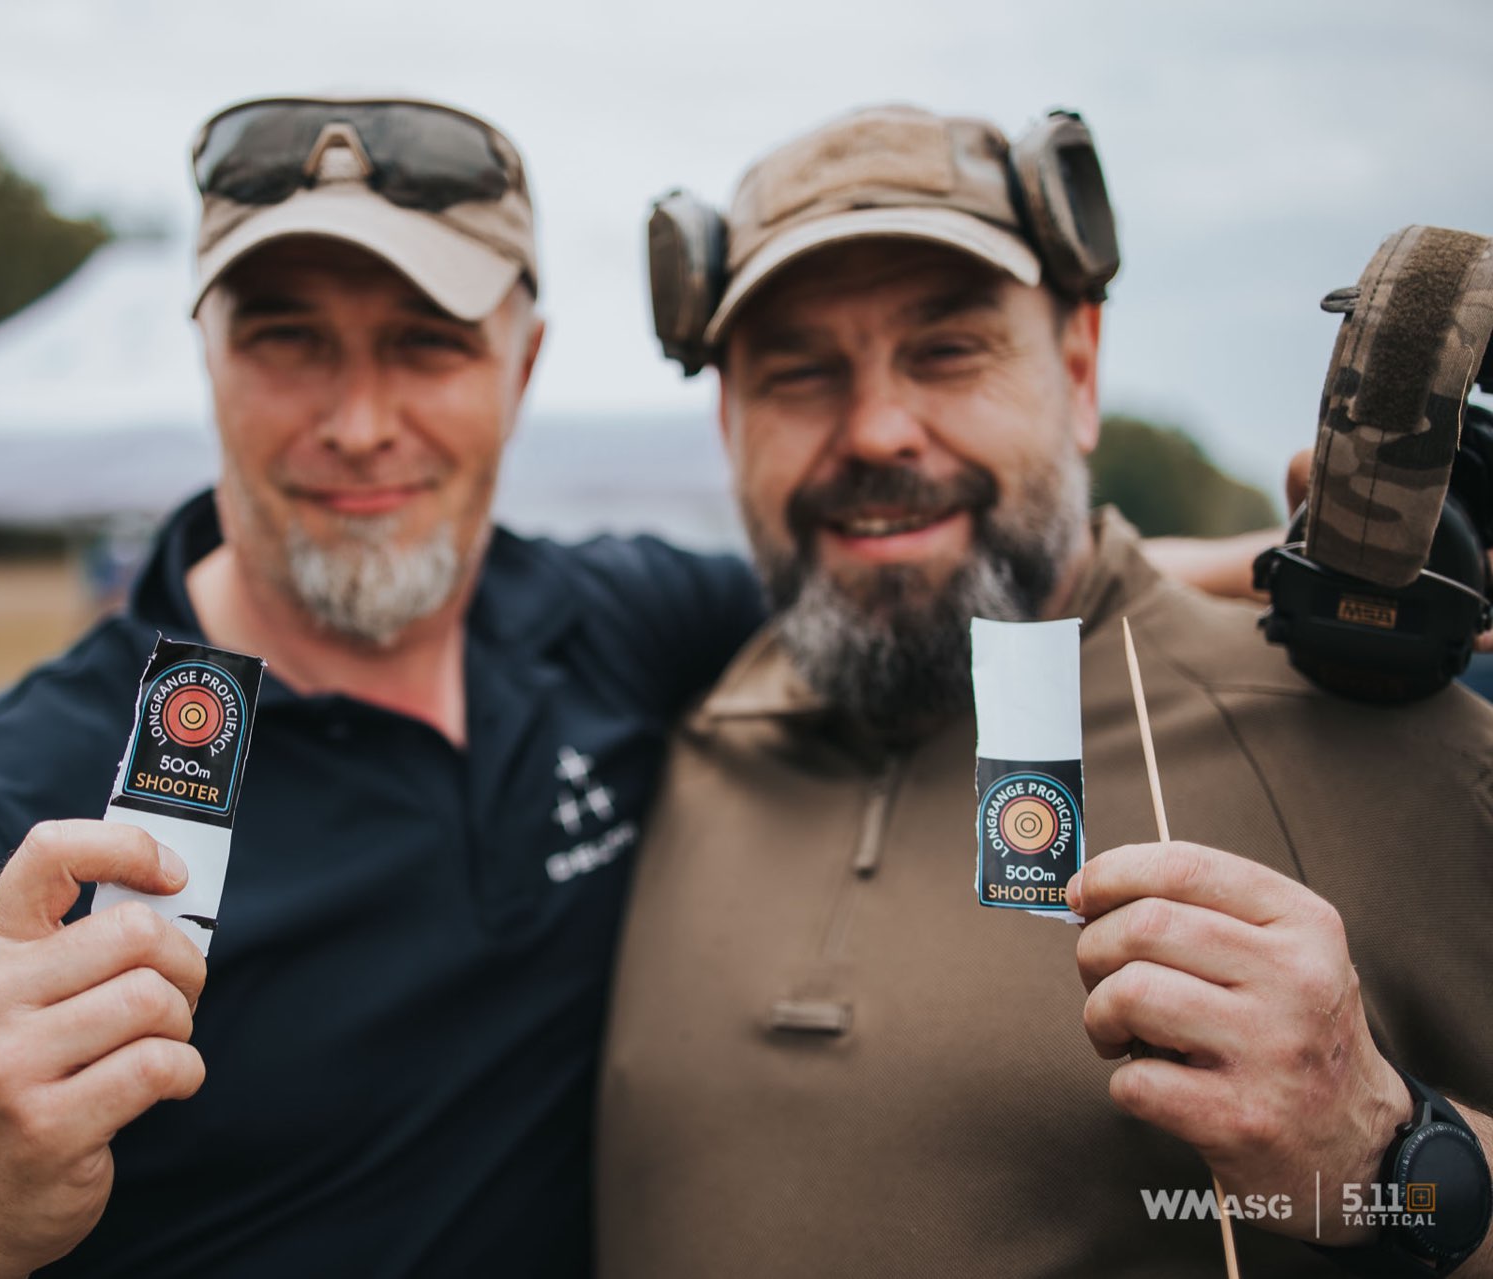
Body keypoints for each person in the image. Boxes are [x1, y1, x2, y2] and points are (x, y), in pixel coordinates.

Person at [0, 96, 765, 1278]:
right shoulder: (3, 802)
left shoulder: (633, 628)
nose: (360, 423)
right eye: (287, 339)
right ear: (209, 358)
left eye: (429, 340)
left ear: (522, 368)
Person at [598, 105, 1493, 1277]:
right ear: (727, 422)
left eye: (948, 351)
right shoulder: (675, 720)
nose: (875, 429)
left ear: (1078, 371)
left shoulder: (1407, 751)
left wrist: (1392, 1151)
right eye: (800, 372)